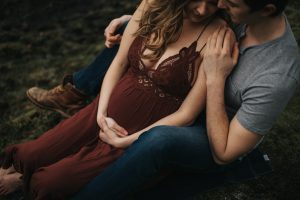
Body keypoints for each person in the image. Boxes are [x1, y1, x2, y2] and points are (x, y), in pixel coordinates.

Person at [68, 0, 299, 199]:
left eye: (231, 2)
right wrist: (137, 19)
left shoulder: (277, 76)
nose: (220, 3)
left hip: (215, 131)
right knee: (136, 31)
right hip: (185, 97)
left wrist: (215, 78)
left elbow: (225, 153)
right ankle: (76, 90)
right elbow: (188, 15)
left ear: (267, 10)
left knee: (159, 140)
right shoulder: (242, 13)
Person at [0, 0, 228, 199]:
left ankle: (24, 182)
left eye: (212, 2)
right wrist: (100, 112)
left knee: (49, 183)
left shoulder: (219, 36)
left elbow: (187, 114)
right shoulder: (153, 5)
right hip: (103, 111)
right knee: (30, 155)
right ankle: (23, 174)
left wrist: (127, 142)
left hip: (136, 135)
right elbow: (119, 62)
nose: (202, 10)